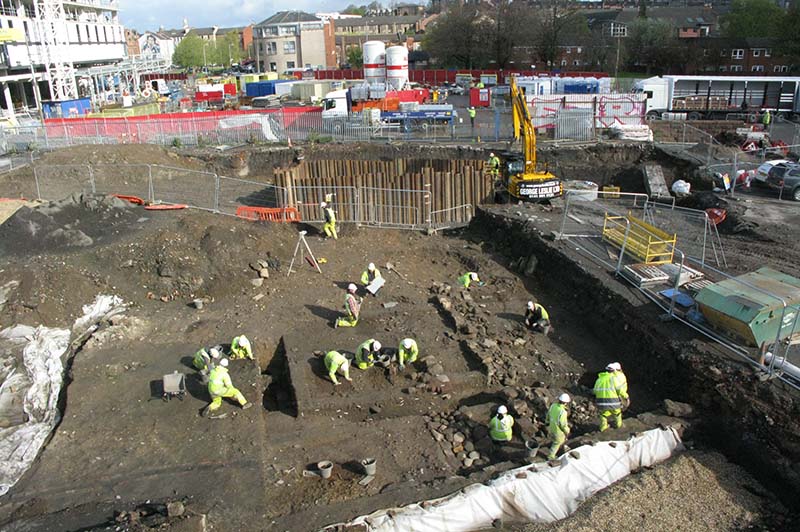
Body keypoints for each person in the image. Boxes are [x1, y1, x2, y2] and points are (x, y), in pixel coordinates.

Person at [594, 363, 628, 431]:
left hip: (601, 402)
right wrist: (626, 396)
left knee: (603, 415)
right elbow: (619, 389)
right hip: (613, 401)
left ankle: (603, 428)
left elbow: (595, 391)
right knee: (617, 413)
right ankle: (619, 426)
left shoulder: (599, 379)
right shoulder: (614, 379)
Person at [546, 393, 571, 460]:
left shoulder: (553, 406)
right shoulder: (563, 412)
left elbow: (548, 414)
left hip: (551, 427)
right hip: (558, 430)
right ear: (566, 403)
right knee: (557, 443)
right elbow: (563, 424)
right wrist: (567, 431)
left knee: (556, 440)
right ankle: (551, 456)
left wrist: (547, 422)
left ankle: (562, 447)